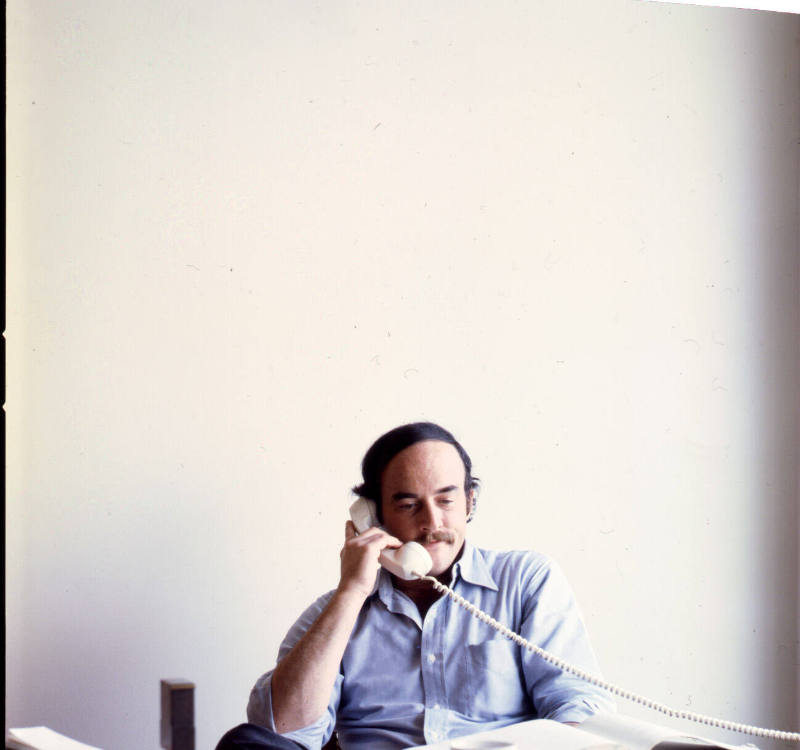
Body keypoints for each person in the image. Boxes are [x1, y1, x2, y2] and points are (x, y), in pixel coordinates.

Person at [216, 422, 614, 750]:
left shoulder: (526, 580)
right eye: (408, 505)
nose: (432, 523)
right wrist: (352, 593)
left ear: (470, 502)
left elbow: (577, 705)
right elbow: (281, 731)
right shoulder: (335, 612)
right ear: (373, 516)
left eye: (446, 501)